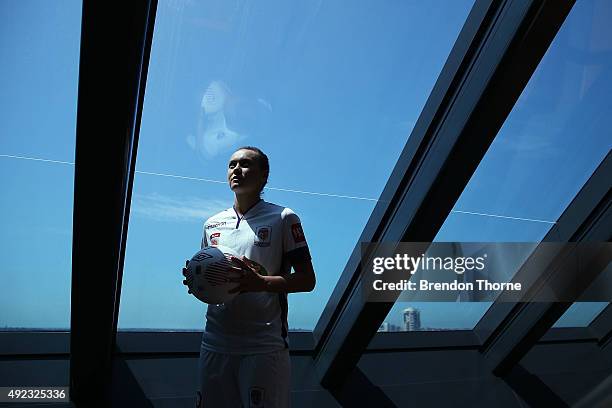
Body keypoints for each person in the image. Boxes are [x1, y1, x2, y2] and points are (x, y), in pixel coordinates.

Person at [185, 146, 316, 408]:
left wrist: (261, 283)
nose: (236, 170)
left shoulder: (283, 218)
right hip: (215, 343)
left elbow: (307, 280)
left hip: (263, 347)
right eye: (232, 165)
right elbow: (211, 275)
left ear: (264, 175)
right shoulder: (211, 224)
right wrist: (196, 280)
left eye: (245, 164)